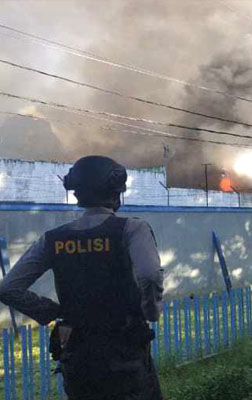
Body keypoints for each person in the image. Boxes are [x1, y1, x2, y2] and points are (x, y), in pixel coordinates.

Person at [0, 155, 164, 400]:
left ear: (76, 192)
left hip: (77, 354)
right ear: (116, 190)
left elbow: (8, 288)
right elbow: (150, 275)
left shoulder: (52, 239)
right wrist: (150, 312)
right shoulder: (132, 229)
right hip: (124, 351)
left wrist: (52, 310)